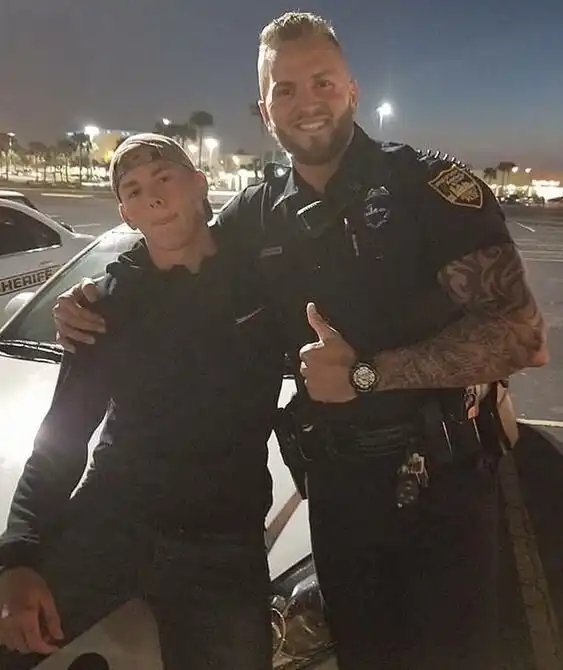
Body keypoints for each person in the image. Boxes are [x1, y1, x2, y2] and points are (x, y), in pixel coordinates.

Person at [52, 12, 549, 670]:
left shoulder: (427, 188)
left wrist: (368, 373)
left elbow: (521, 335)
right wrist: (95, 291)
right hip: (338, 489)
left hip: (441, 483)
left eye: (321, 82)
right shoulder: (258, 214)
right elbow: (178, 241)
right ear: (265, 111)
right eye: (283, 89)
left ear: (352, 91)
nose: (305, 101)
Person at [0, 134, 283, 670]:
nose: (152, 196)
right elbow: (62, 437)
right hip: (113, 520)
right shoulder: (104, 305)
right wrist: (17, 555)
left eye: (164, 178)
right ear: (126, 214)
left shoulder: (262, 283)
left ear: (199, 186)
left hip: (223, 540)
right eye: (132, 189)